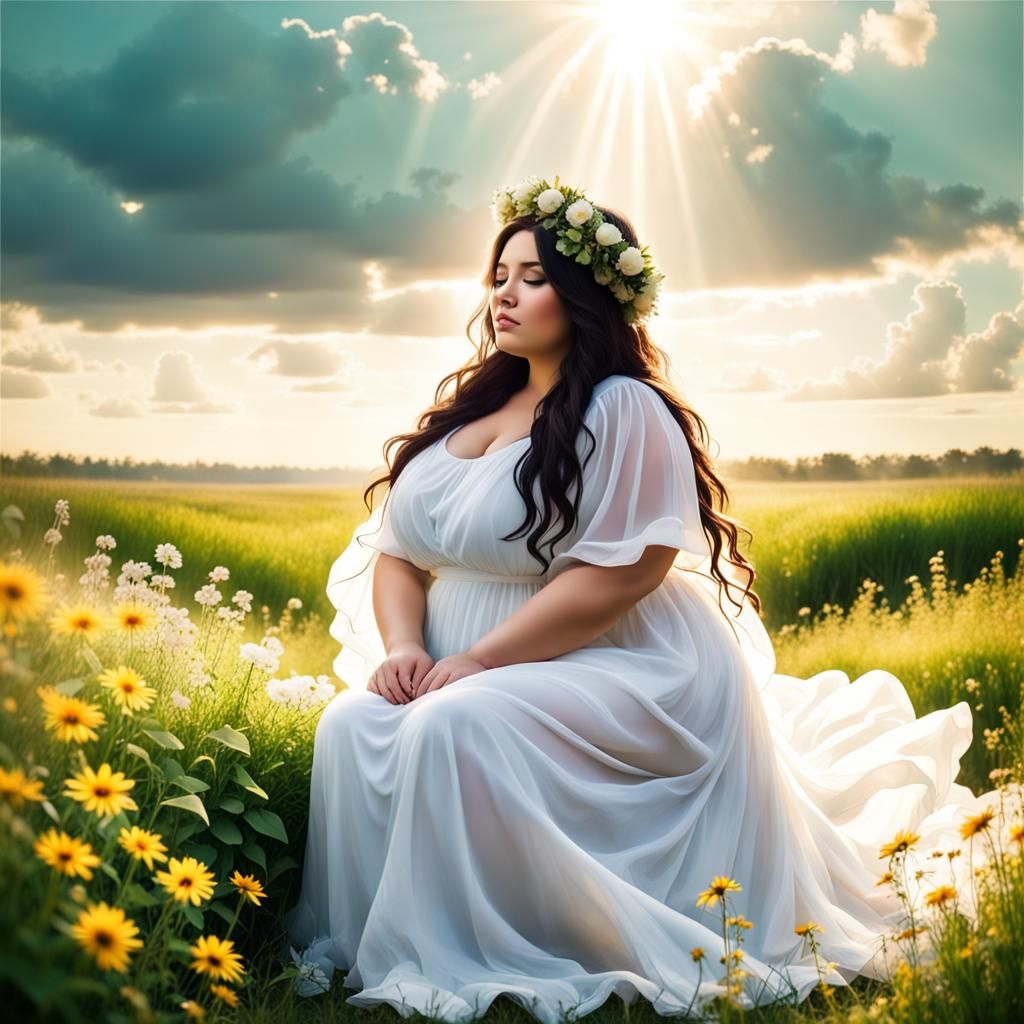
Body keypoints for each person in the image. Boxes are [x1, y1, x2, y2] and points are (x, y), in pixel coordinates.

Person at [285, 176, 1001, 1022]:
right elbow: (398, 553)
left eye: (534, 277)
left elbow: (620, 576)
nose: (506, 293)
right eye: (500, 274)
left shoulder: (622, 409)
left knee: (454, 722)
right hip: (455, 658)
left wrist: (477, 661)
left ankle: (484, 949)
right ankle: (378, 946)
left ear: (586, 296)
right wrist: (407, 646)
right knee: (352, 723)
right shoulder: (468, 415)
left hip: (616, 661)